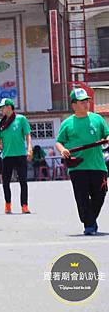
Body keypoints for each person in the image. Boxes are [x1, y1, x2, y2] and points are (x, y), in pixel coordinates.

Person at [56, 88, 109, 235]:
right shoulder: (67, 123)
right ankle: (89, 225)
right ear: (74, 105)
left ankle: (89, 219)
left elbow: (107, 134)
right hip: (77, 166)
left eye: (87, 101)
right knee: (82, 198)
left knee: (100, 195)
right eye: (82, 102)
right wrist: (63, 150)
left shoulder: (97, 119)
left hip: (98, 165)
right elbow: (59, 142)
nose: (86, 104)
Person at [0, 98, 33, 214]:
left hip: (20, 155)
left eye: (2, 107)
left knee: (23, 181)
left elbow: (28, 135)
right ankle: (7, 204)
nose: (1, 110)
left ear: (9, 107)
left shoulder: (21, 119)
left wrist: (29, 148)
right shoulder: (0, 123)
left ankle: (24, 205)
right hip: (6, 156)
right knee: (5, 182)